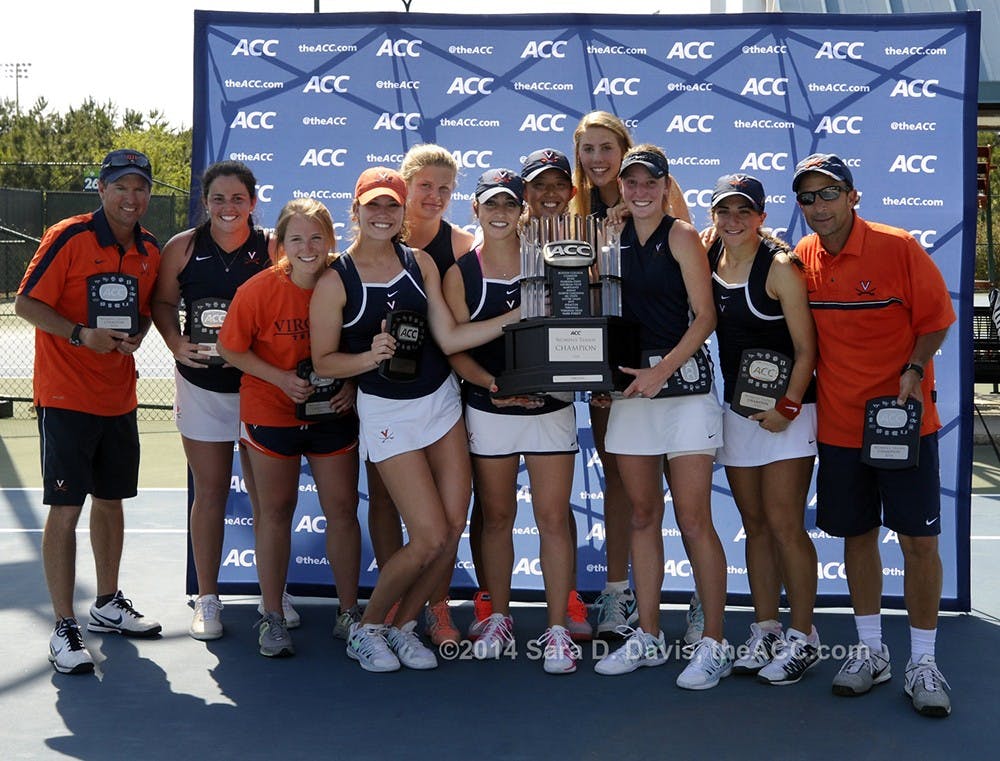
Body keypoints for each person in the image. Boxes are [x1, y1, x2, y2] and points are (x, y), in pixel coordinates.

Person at [309, 167, 516, 673]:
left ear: (403, 215)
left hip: (441, 403)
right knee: (427, 536)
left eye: (391, 206)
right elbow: (322, 362)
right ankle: (369, 627)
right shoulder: (336, 279)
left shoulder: (419, 261)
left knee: (448, 531)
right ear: (355, 210)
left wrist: (518, 315)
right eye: (373, 205)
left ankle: (402, 627)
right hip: (386, 413)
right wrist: (368, 358)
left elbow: (448, 338)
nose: (382, 215)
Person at [791, 153, 956, 716]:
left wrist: (912, 371)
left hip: (904, 424)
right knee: (857, 537)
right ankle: (871, 652)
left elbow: (936, 322)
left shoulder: (897, 245)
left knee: (919, 543)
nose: (818, 207)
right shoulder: (801, 258)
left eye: (828, 194)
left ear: (853, 196)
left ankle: (924, 661)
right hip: (838, 428)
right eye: (807, 198)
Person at [15, 149, 163, 674]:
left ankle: (106, 604)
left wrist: (132, 338)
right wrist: (81, 335)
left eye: (140, 187)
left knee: (111, 501)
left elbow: (143, 313)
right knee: (65, 509)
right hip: (66, 396)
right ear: (101, 190)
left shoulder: (150, 249)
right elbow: (26, 303)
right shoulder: (69, 236)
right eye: (121, 187)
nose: (131, 197)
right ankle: (63, 626)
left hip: (118, 396)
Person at [592, 145, 731, 691]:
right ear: (622, 186)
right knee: (643, 517)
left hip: (686, 392)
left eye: (650, 182)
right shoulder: (608, 238)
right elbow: (598, 313)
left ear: (666, 185)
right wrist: (605, 379)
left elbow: (705, 317)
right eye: (632, 183)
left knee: (694, 519)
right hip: (630, 394)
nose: (640, 191)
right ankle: (647, 634)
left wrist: (660, 372)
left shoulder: (682, 236)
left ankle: (714, 641)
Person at [569, 112, 703, 645]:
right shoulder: (579, 212)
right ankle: (619, 591)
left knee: (682, 491)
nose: (598, 159)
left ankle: (699, 599)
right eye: (588, 150)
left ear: (626, 152)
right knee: (621, 481)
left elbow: (699, 264)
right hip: (610, 371)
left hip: (672, 372)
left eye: (607, 149)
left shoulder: (662, 198)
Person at [443, 168, 581, 673]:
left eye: (508, 204)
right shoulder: (461, 272)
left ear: (520, 209)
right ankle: (499, 615)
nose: (500, 213)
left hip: (551, 408)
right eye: (490, 205)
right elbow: (454, 347)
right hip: (490, 408)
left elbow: (577, 335)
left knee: (551, 518)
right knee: (497, 517)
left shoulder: (548, 263)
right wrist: (491, 385)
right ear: (475, 211)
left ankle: (558, 630)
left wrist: (558, 383)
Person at [217, 198, 361, 658]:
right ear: (279, 243)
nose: (308, 247)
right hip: (271, 413)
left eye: (317, 237)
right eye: (296, 238)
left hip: (332, 413)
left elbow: (366, 344)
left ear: (331, 240)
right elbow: (229, 348)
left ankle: (348, 612)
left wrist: (352, 386)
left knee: (341, 509)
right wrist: (279, 378)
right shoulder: (258, 290)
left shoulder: (346, 281)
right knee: (276, 512)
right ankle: (273, 615)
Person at [151, 160, 287, 641]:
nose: (228, 208)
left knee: (266, 498)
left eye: (237, 199)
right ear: (205, 203)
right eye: (218, 199)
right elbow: (163, 303)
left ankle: (274, 595)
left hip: (260, 387)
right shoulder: (183, 247)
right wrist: (174, 341)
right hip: (202, 385)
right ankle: (208, 598)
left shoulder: (274, 247)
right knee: (209, 492)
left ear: (253, 201)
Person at [707, 173, 821, 685]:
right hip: (737, 413)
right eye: (724, 211)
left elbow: (807, 350)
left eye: (743, 212)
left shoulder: (780, 268)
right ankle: (766, 626)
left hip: (788, 416)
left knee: (784, 524)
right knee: (754, 524)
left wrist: (789, 407)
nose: (733, 221)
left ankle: (804, 636)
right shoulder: (709, 258)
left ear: (761, 217)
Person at [362, 145, 477, 643]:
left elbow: (460, 330)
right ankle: (386, 613)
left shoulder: (463, 246)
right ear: (405, 188)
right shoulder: (377, 233)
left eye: (444, 188)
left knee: (447, 520)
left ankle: (434, 609)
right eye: (425, 186)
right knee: (386, 500)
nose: (434, 196)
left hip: (446, 392)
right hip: (381, 397)